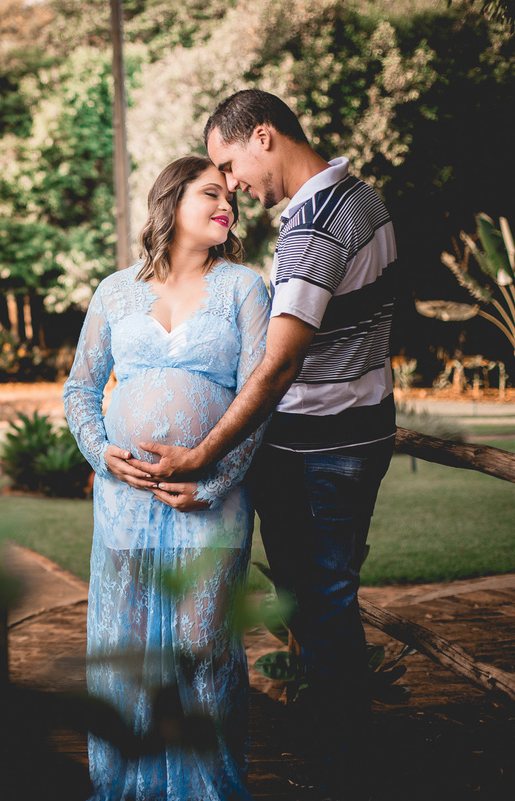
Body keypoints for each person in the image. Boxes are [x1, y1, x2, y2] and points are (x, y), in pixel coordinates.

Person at [129, 89, 399, 798]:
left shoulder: (313, 225)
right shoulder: (363, 199)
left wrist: (202, 452)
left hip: (319, 449)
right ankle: (336, 752)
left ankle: (345, 771)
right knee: (318, 603)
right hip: (357, 431)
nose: (234, 186)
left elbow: (279, 364)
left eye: (229, 163)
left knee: (324, 608)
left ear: (263, 135)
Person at [64, 154, 271, 801]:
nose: (226, 205)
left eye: (230, 197)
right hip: (125, 504)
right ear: (172, 201)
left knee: (203, 646)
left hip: (209, 501)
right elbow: (80, 388)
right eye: (211, 193)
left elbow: (259, 400)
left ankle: (209, 788)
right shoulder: (114, 290)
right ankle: (124, 785)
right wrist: (102, 452)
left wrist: (212, 482)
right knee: (124, 652)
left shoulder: (245, 287)